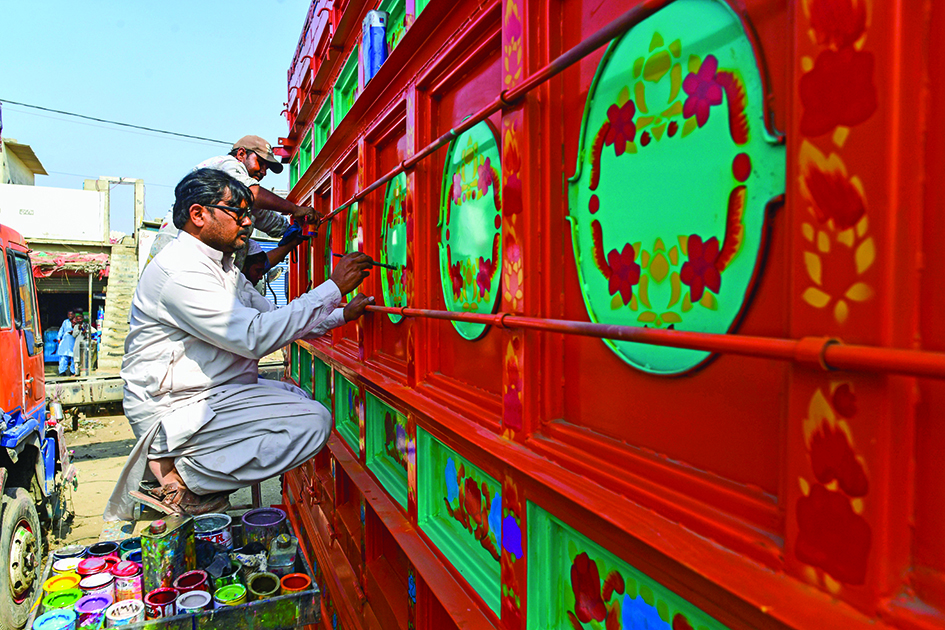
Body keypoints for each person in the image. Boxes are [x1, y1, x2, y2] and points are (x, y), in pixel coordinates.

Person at [104, 169, 373, 520]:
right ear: (198, 214)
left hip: (213, 392)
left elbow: (273, 316)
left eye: (249, 213)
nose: (247, 222)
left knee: (298, 399)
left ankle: (194, 468)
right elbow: (255, 337)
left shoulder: (224, 268)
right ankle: (182, 478)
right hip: (176, 406)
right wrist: (333, 287)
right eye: (238, 213)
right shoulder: (181, 272)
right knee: (314, 422)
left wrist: (340, 314)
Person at [146, 135, 319, 269]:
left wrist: (292, 230)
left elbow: (266, 218)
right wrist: (294, 209)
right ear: (241, 154)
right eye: (261, 163)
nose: (264, 172)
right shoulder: (227, 164)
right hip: (179, 259)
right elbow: (252, 192)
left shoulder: (242, 197)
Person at [56, 310, 75, 376]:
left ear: (74, 315)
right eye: (69, 314)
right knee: (63, 357)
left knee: (74, 358)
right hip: (65, 341)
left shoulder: (76, 322)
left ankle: (73, 371)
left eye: (71, 314)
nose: (70, 316)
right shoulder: (65, 322)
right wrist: (59, 338)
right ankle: (62, 371)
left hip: (73, 341)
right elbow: (61, 330)